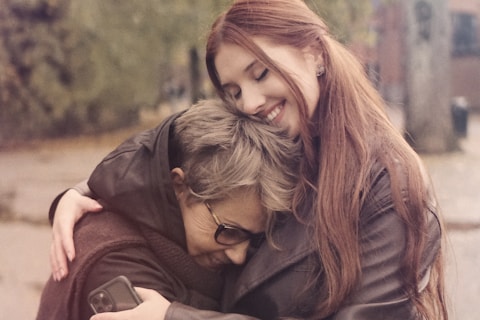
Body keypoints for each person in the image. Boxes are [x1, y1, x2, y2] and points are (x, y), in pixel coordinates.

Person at [49, 0, 449, 319]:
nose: (251, 103)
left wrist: (174, 316)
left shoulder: (387, 185)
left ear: (315, 54)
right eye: (234, 91)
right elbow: (165, 152)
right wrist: (81, 193)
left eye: (260, 74)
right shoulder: (276, 139)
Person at [36, 99, 300, 320]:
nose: (240, 256)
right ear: (179, 187)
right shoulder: (116, 264)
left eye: (253, 238)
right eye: (230, 232)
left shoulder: (163, 231)